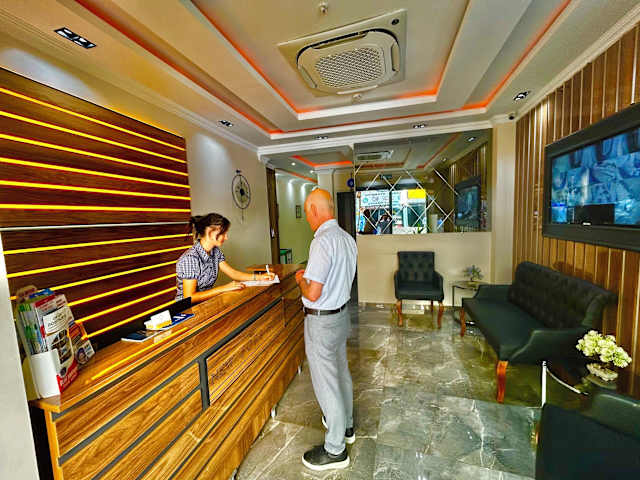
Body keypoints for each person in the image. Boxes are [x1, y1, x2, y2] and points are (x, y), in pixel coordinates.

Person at [295, 188, 358, 471]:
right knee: (341, 372)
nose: (308, 219)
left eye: (307, 212)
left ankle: (335, 450)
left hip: (321, 322)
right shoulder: (346, 239)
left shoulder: (322, 242)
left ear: (314, 210)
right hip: (341, 316)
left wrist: (300, 279)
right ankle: (347, 426)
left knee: (326, 383)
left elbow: (313, 293)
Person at [176, 213, 274, 303]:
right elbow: (190, 297)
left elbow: (233, 273)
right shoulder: (190, 258)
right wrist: (224, 288)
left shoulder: (215, 251)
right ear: (210, 232)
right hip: (186, 310)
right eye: (223, 233)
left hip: (205, 304)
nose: (226, 237)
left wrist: (260, 277)